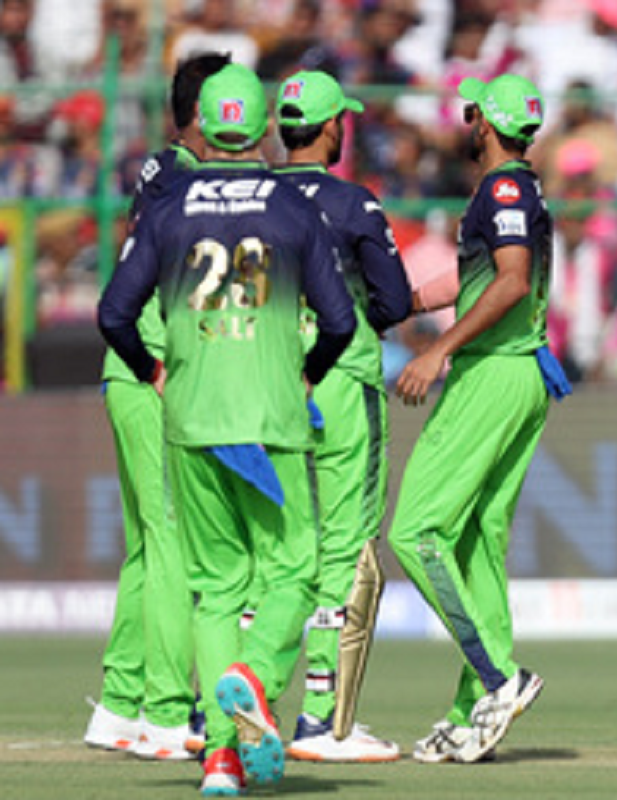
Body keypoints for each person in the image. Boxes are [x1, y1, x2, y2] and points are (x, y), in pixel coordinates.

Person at [98, 63, 356, 794]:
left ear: (204, 126)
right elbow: (340, 320)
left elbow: (114, 313)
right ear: (265, 128)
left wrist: (152, 369)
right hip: (271, 416)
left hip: (191, 417)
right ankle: (254, 673)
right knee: (296, 569)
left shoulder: (168, 207)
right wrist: (308, 373)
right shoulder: (292, 206)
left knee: (215, 589)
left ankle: (220, 757)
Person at [387, 73, 563, 765]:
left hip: (492, 372)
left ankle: (497, 680)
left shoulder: (505, 190)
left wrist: (438, 349)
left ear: (485, 124)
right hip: (517, 373)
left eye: (470, 113)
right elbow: (477, 277)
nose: (465, 123)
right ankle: (471, 714)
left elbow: (511, 281)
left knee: (414, 532)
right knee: (477, 545)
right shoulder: (512, 189)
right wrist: (406, 304)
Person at [83, 50, 230, 762]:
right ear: (204, 114)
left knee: (148, 547)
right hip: (156, 372)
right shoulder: (190, 181)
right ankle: (168, 713)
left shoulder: (162, 170)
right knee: (173, 542)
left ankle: (119, 704)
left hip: (130, 372)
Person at [273, 69, 413, 763]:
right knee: (346, 548)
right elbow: (394, 301)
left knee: (271, 547)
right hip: (341, 382)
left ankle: (238, 700)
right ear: (333, 128)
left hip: (264, 386)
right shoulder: (353, 204)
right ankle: (322, 719)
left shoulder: (252, 196)